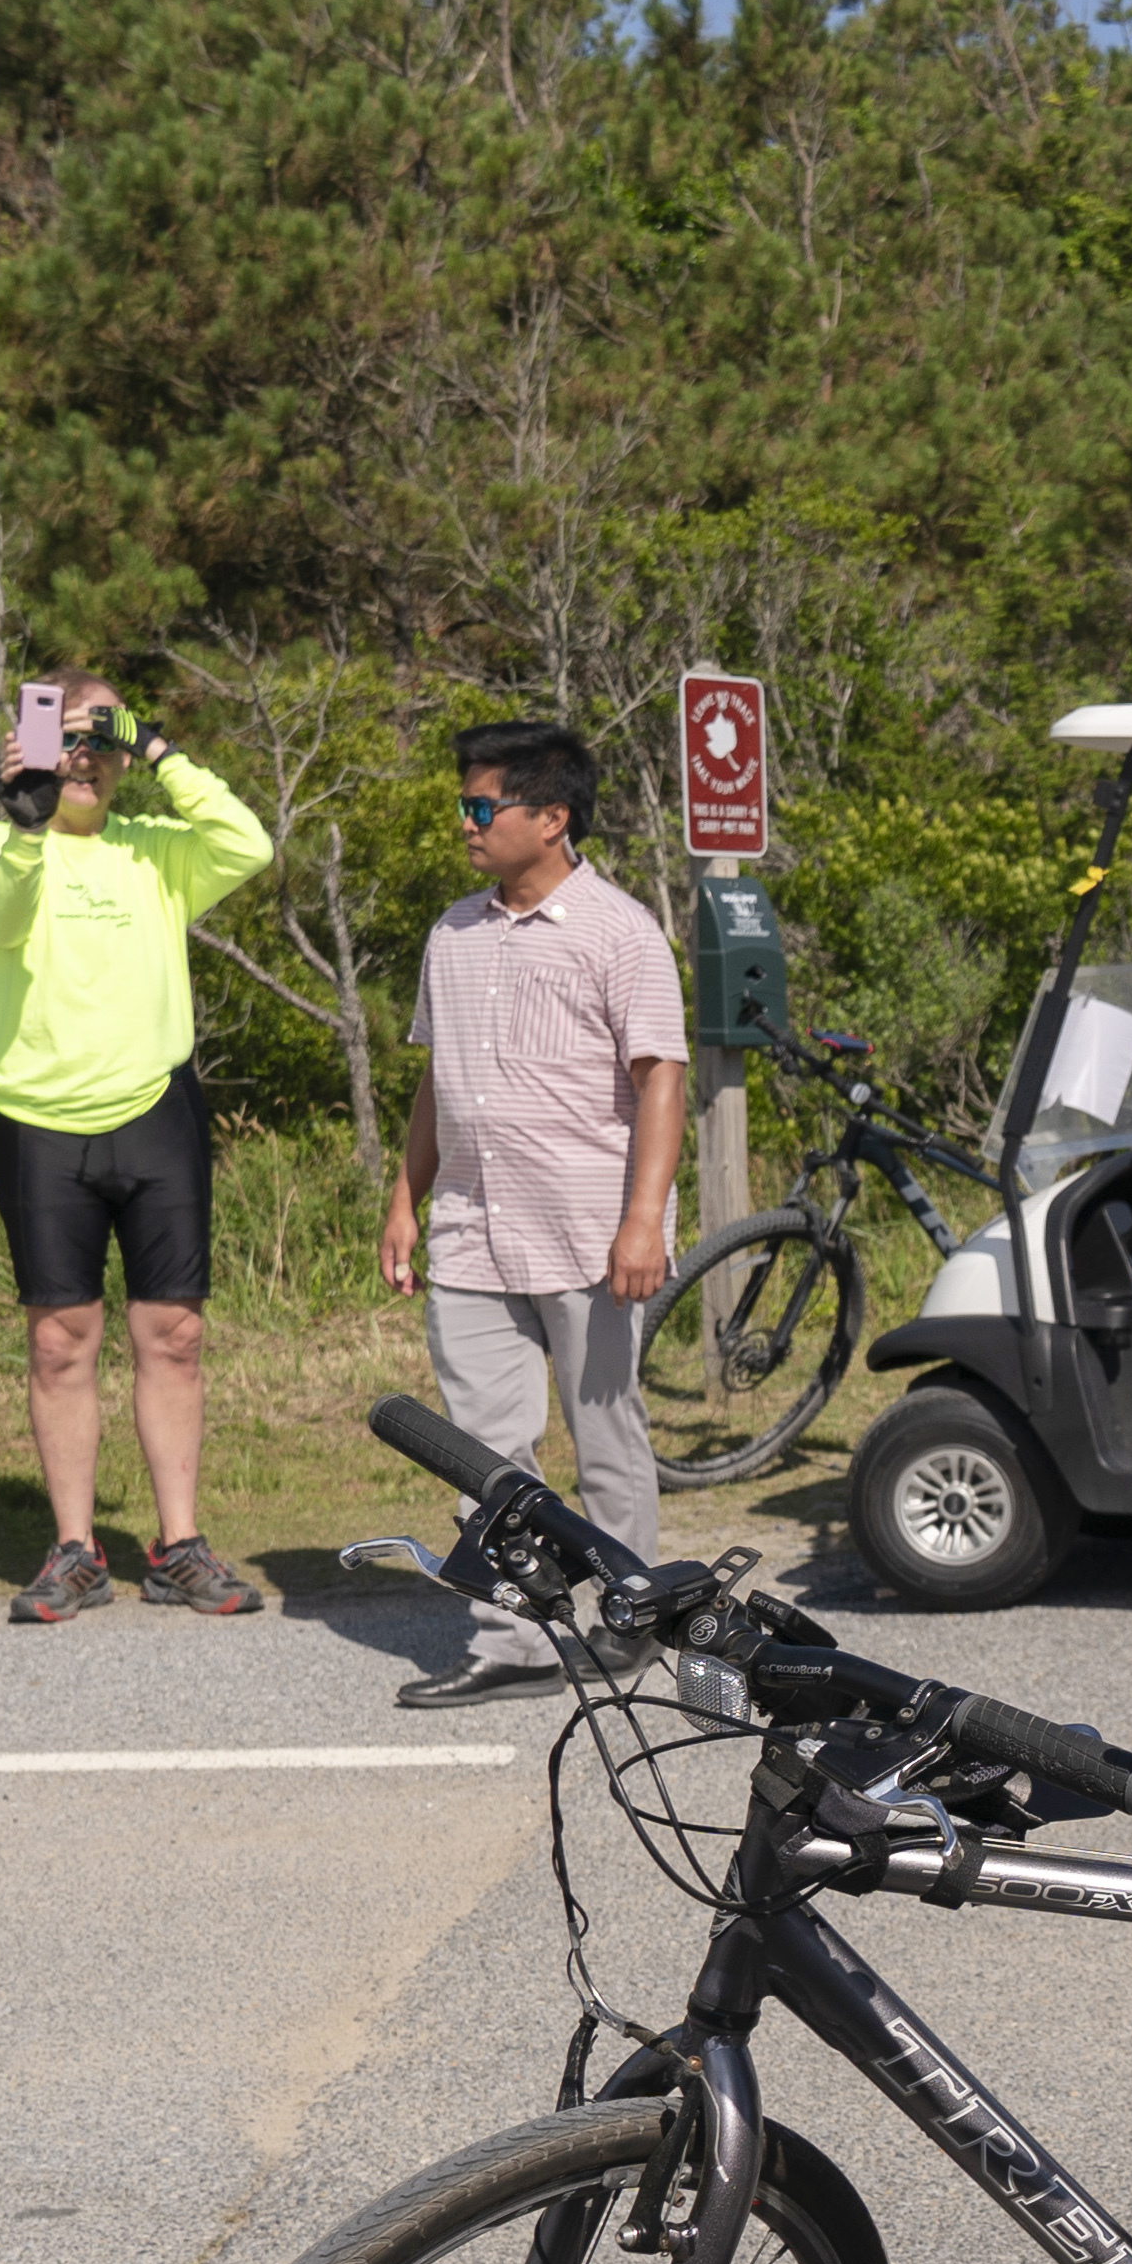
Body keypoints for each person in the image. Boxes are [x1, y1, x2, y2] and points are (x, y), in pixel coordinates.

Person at [0, 670, 276, 1623]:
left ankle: (179, 1545)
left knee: (172, 1336)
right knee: (60, 1342)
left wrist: (162, 751)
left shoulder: (157, 852)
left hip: (155, 1112)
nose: (83, 756)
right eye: (64, 736)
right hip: (39, 1117)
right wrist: (24, 821)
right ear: (30, 746)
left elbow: (249, 844)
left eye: (100, 737)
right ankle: (73, 1549)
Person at [383, 722, 683, 1707]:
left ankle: (629, 1617)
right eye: (464, 806)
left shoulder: (621, 932)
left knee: (606, 1437)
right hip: (472, 1232)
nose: (464, 824)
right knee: (485, 1453)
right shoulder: (452, 933)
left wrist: (644, 1222)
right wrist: (404, 1203)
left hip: (588, 1236)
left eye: (482, 807)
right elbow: (437, 1082)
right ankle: (512, 1645)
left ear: (550, 819)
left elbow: (661, 1082)